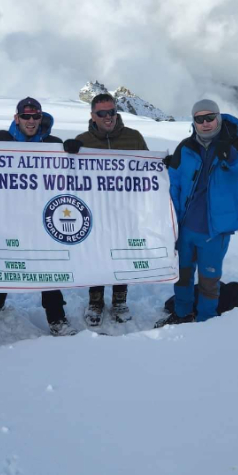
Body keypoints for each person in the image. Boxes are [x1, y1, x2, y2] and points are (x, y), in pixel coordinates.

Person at [0, 97, 76, 336]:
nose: (31, 121)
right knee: (2, 260)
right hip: (5, 215)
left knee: (47, 264)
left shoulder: (53, 143)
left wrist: (74, 150)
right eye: (25, 116)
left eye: (35, 116)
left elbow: (75, 169)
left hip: (41, 217)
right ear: (16, 118)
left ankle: (57, 318)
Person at [158, 99, 238, 327]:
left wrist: (234, 156)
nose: (205, 123)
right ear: (194, 122)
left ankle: (207, 322)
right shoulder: (185, 148)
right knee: (182, 277)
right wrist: (164, 170)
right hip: (185, 228)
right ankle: (182, 313)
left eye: (210, 117)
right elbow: (173, 185)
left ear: (218, 117)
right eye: (199, 119)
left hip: (214, 231)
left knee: (209, 280)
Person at [64, 92, 149, 325]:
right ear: (93, 115)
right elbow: (67, 176)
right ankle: (96, 301)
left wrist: (162, 166)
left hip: (126, 209)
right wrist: (69, 152)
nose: (108, 117)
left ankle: (120, 300)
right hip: (95, 210)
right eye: (102, 113)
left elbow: (148, 171)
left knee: (122, 253)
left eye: (111, 112)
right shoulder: (83, 141)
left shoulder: (134, 137)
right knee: (97, 254)